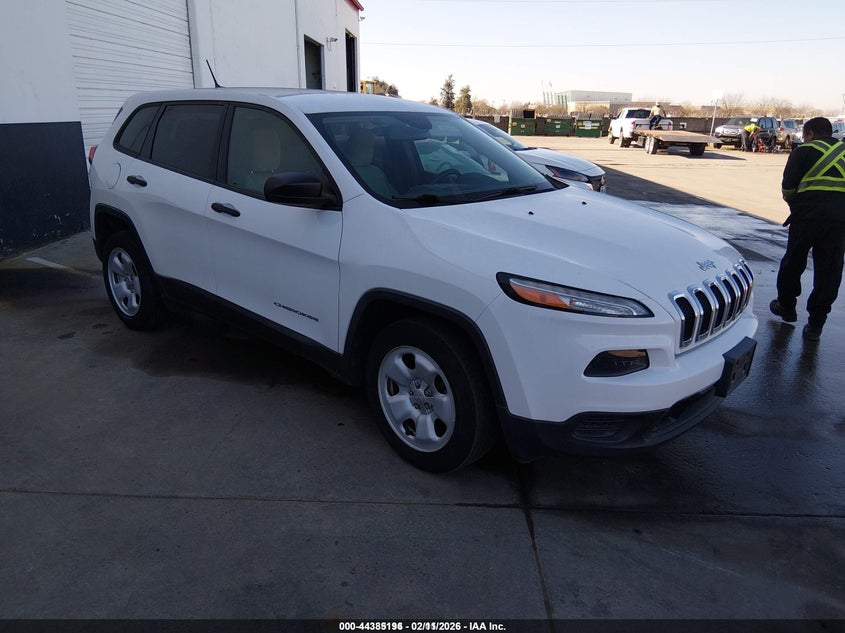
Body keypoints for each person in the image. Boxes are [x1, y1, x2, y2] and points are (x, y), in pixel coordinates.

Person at [770, 117, 845, 341]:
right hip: (839, 221)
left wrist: (798, 206)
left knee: (794, 261)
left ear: (810, 133)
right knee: (830, 270)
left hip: (806, 218)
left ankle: (787, 306)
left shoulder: (804, 150)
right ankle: (816, 325)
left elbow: (788, 188)